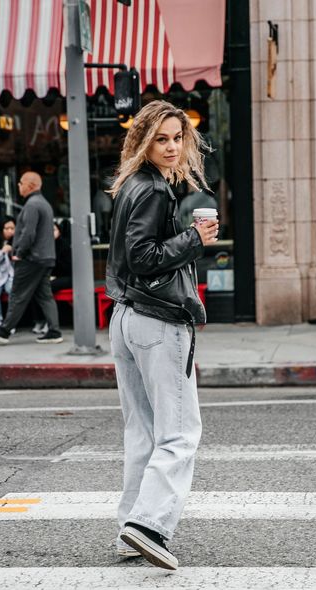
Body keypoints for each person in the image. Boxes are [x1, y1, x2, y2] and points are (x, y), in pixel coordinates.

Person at [106, 100, 218, 570]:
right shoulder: (152, 190)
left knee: (145, 433)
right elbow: (143, 256)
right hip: (156, 320)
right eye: (162, 139)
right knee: (179, 433)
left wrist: (191, 244)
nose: (172, 147)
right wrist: (195, 238)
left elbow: (139, 257)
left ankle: (129, 527)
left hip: (127, 318)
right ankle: (149, 525)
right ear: (143, 142)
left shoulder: (133, 185)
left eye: (178, 138)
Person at [0, 171, 63, 344]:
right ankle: (54, 332)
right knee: (44, 295)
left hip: (32, 259)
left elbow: (28, 234)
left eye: (21, 183)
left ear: (30, 185)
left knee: (18, 294)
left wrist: (19, 253)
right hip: (45, 258)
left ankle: (4, 330)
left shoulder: (32, 205)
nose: (19, 185)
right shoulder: (44, 203)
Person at [32, 222, 72, 334]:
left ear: (59, 231)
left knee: (45, 288)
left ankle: (49, 322)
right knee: (36, 287)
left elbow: (68, 267)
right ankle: (39, 320)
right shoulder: (43, 245)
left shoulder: (64, 245)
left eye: (54, 230)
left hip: (66, 277)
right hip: (49, 277)